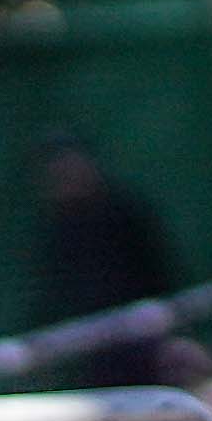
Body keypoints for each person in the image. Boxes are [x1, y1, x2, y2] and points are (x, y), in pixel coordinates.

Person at [26, 135, 184, 391]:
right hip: (95, 349)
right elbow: (54, 291)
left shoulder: (125, 211)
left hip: (144, 336)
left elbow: (160, 271)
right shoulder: (58, 229)